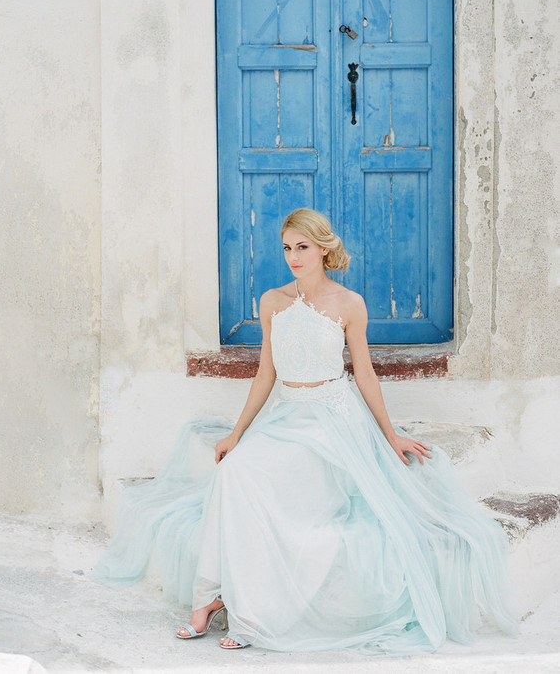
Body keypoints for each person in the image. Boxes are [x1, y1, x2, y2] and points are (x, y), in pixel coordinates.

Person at [92, 208, 517, 654]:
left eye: (303, 247)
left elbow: (366, 375)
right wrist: (236, 434)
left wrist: (389, 435)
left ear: (324, 249)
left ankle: (249, 615)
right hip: (285, 416)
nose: (294, 257)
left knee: (260, 486)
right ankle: (211, 596)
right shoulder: (273, 301)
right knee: (234, 472)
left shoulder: (349, 304)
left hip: (331, 422)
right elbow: (265, 375)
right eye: (287, 248)